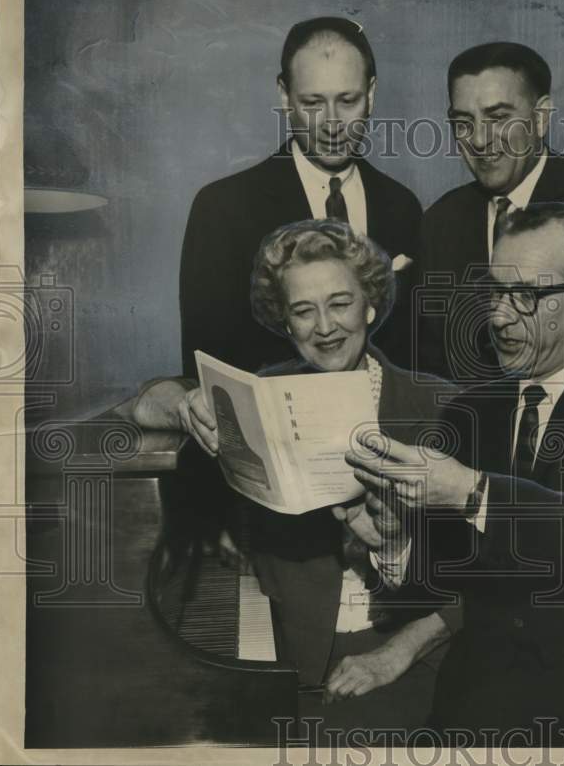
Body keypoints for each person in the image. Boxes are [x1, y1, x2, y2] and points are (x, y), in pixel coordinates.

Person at [347, 203, 564, 742]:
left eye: (528, 297)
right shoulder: (469, 412)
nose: (501, 317)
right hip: (478, 703)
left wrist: (472, 491)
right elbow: (447, 583)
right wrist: (393, 542)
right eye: (495, 292)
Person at [135, 220, 454, 731]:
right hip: (293, 646)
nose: (324, 326)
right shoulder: (263, 393)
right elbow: (139, 404)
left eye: (340, 302)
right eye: (303, 311)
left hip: (406, 655)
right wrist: (186, 403)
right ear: (286, 324)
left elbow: (489, 581)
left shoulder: (440, 406)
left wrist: (394, 654)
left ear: (370, 303)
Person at [180, 16, 422, 376]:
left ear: (370, 94)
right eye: (312, 102)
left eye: (348, 100)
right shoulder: (222, 209)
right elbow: (209, 373)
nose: (332, 122)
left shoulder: (403, 207)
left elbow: (411, 360)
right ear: (284, 95)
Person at [414, 42, 564, 384]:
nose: (479, 139)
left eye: (498, 118)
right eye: (463, 123)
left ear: (540, 118)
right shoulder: (439, 222)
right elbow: (432, 363)